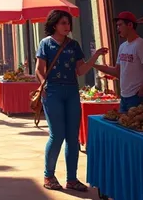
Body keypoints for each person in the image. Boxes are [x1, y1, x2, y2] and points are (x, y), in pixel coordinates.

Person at [36, 10, 108, 193]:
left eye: (68, 23)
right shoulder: (45, 44)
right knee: (56, 135)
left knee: (73, 138)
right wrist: (42, 86)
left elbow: (81, 70)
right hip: (53, 91)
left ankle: (72, 179)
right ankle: (49, 175)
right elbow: (39, 69)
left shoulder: (74, 45)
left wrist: (95, 56)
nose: (67, 27)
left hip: (71, 91)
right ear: (54, 25)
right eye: (63, 23)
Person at [94, 11, 143, 112]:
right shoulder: (122, 47)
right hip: (124, 96)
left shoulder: (141, 44)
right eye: (117, 26)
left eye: (120, 25)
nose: (117, 28)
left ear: (130, 25)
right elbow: (117, 71)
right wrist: (93, 65)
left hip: (137, 96)